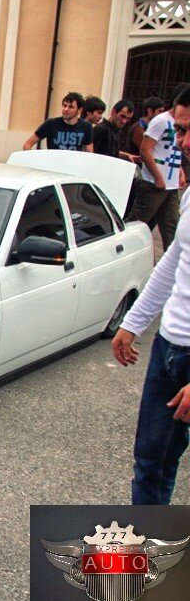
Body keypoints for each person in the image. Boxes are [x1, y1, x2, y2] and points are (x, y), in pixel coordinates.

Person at [112, 84, 190, 505]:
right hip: (169, 349)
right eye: (179, 130)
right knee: (151, 462)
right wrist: (133, 323)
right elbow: (172, 264)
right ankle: (145, 563)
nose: (182, 142)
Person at [128, 83, 189, 252]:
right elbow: (145, 149)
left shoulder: (180, 122)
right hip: (153, 183)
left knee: (172, 228)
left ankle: (174, 266)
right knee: (138, 224)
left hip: (171, 185)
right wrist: (158, 177)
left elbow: (172, 150)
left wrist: (180, 172)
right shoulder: (161, 121)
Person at [23, 92, 93, 152]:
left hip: (73, 166)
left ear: (79, 110)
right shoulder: (51, 123)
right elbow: (27, 144)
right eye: (64, 105)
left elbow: (89, 153)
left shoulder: (86, 126)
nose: (65, 109)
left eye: (71, 107)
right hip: (53, 165)